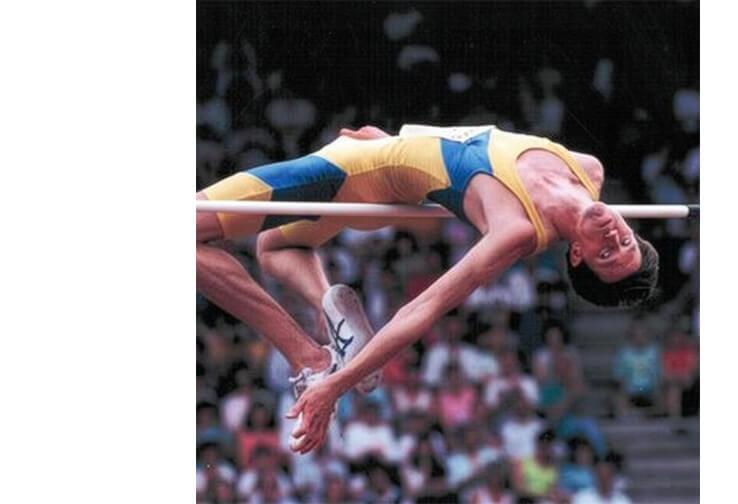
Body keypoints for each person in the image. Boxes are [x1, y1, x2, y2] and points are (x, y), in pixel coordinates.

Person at [196, 123, 660, 453]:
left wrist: (334, 386)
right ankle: (330, 311)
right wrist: (399, 138)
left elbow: (425, 309)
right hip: (385, 164)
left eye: (606, 254)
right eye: (625, 242)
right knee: (275, 247)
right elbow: (465, 140)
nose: (614, 237)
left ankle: (309, 357)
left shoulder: (517, 229)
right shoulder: (587, 169)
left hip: (350, 173)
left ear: (577, 254)